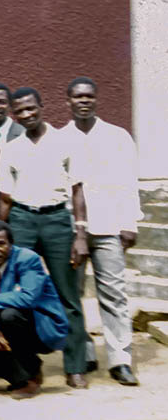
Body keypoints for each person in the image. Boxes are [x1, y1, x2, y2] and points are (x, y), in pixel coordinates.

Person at [0, 87, 91, 389]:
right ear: (14, 114)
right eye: (20, 111)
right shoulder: (11, 147)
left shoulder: (64, 142)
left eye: (31, 109)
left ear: (41, 106)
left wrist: (80, 233)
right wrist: (0, 235)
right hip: (22, 219)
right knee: (19, 293)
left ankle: (75, 366)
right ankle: (29, 368)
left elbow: (77, 191)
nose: (26, 115)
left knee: (68, 296)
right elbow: (5, 198)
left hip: (56, 221)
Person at [62, 76, 141, 386]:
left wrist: (130, 223)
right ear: (68, 101)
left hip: (109, 226)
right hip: (72, 232)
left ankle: (120, 359)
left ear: (96, 99)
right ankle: (84, 353)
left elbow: (129, 182)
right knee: (74, 294)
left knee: (114, 294)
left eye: (89, 96)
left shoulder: (117, 137)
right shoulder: (60, 138)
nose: (84, 101)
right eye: (78, 96)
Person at [0, 220, 69, 399]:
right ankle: (23, 380)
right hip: (2, 324)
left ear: (10, 244)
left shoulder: (28, 259)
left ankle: (32, 370)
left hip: (41, 328)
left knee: (9, 315)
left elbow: (28, 298)